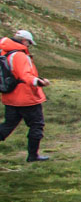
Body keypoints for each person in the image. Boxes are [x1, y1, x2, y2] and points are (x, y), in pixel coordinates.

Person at [0, 29, 51, 162]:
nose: (29, 46)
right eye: (29, 43)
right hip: (27, 98)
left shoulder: (5, 53)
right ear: (23, 41)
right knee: (36, 125)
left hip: (10, 97)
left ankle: (33, 156)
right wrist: (40, 82)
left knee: (8, 125)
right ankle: (33, 156)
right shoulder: (20, 56)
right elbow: (25, 75)